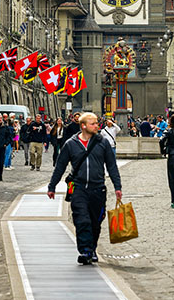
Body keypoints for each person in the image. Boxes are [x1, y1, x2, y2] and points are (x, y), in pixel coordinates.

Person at [48, 112, 122, 265]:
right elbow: (60, 166)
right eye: (93, 123)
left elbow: (112, 166)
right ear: (83, 126)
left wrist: (117, 187)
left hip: (98, 189)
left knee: (95, 222)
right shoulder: (71, 144)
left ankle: (92, 248)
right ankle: (85, 250)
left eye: (96, 123)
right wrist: (52, 186)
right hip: (79, 188)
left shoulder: (103, 143)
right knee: (82, 220)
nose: (97, 126)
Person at [159, 114, 174, 208]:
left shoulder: (168, 130)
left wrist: (163, 150)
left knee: (172, 179)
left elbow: (161, 140)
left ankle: (173, 200)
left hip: (172, 156)